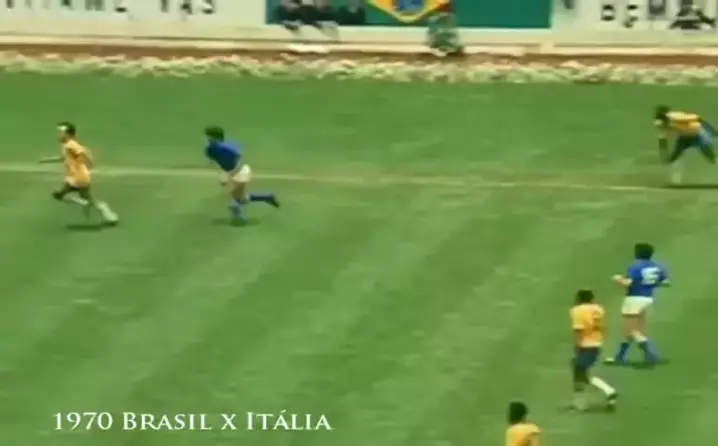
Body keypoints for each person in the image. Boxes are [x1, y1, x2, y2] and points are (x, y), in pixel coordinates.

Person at [39, 122, 118, 225]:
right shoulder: (67, 145)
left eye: (61, 133)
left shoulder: (71, 144)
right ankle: (107, 213)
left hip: (77, 177)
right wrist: (46, 160)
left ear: (68, 134)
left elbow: (84, 152)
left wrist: (90, 164)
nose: (58, 135)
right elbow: (63, 158)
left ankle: (83, 202)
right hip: (80, 176)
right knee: (87, 199)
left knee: (59, 194)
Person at [204, 126, 280, 225]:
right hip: (228, 172)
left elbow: (239, 158)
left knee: (234, 198)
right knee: (242, 199)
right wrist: (225, 173)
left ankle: (239, 217)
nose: (207, 138)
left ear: (216, 137)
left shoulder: (226, 147)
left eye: (209, 136)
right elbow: (214, 161)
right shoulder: (209, 149)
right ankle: (267, 197)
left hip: (241, 172)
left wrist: (234, 172)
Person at [607, 243, 668, 366]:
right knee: (632, 330)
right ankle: (620, 357)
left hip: (634, 299)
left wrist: (617, 279)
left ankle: (650, 354)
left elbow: (627, 283)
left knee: (631, 329)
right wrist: (649, 284)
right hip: (648, 299)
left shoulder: (636, 266)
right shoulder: (656, 267)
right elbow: (665, 282)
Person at [571, 289, 618, 411]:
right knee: (581, 373)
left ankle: (607, 391)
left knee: (580, 374)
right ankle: (581, 402)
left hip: (585, 345)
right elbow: (603, 326)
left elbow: (579, 329)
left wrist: (577, 346)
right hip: (596, 342)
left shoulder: (577, 310)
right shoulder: (598, 309)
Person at [654, 105, 717, 185]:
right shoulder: (660, 124)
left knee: (712, 158)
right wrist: (663, 150)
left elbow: (697, 117)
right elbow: (662, 137)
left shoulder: (676, 117)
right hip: (683, 139)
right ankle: (675, 178)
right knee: (672, 158)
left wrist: (712, 131)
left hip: (698, 136)